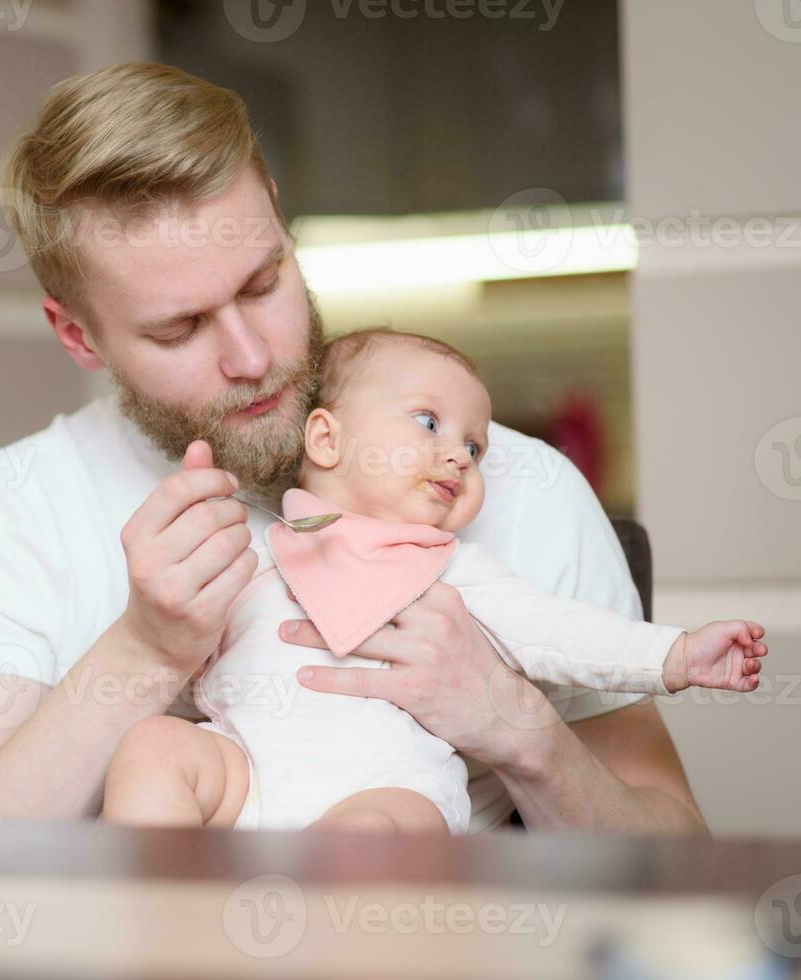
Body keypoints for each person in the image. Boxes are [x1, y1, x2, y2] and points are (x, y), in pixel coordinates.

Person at [0, 62, 708, 833]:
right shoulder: (16, 512)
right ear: (77, 336)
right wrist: (144, 653)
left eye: (263, 282)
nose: (251, 356)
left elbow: (676, 857)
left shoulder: (519, 485)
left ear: (282, 223)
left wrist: (521, 729)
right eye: (179, 328)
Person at [100, 328, 767, 833]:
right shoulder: (258, 554)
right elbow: (194, 668)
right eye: (428, 422)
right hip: (248, 774)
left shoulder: (450, 574)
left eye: (474, 449)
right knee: (152, 748)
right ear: (327, 441)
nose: (458, 453)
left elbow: (559, 633)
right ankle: (165, 933)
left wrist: (673, 654)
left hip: (389, 794)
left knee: (369, 839)